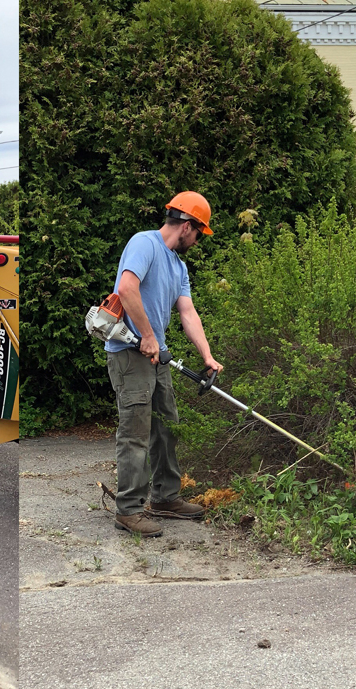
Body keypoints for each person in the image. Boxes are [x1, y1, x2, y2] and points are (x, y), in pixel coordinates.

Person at [105, 191, 223, 537]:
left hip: (156, 356)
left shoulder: (178, 265)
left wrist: (207, 355)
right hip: (130, 353)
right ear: (188, 226)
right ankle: (128, 509)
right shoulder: (144, 243)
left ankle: (165, 497)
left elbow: (187, 311)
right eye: (200, 233)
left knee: (167, 427)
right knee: (135, 433)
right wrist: (147, 335)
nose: (198, 241)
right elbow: (127, 288)